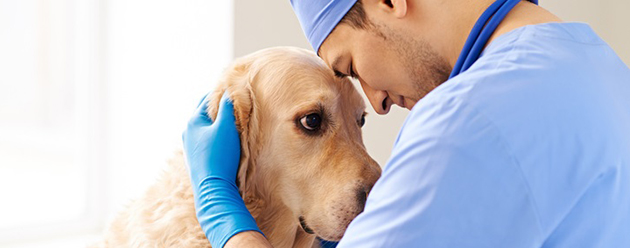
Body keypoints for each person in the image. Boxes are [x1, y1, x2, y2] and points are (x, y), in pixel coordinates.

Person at [182, 0, 630, 247]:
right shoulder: (602, 67)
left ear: (389, 2)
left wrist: (225, 218)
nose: (377, 103)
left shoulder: (462, 126)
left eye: (352, 64)